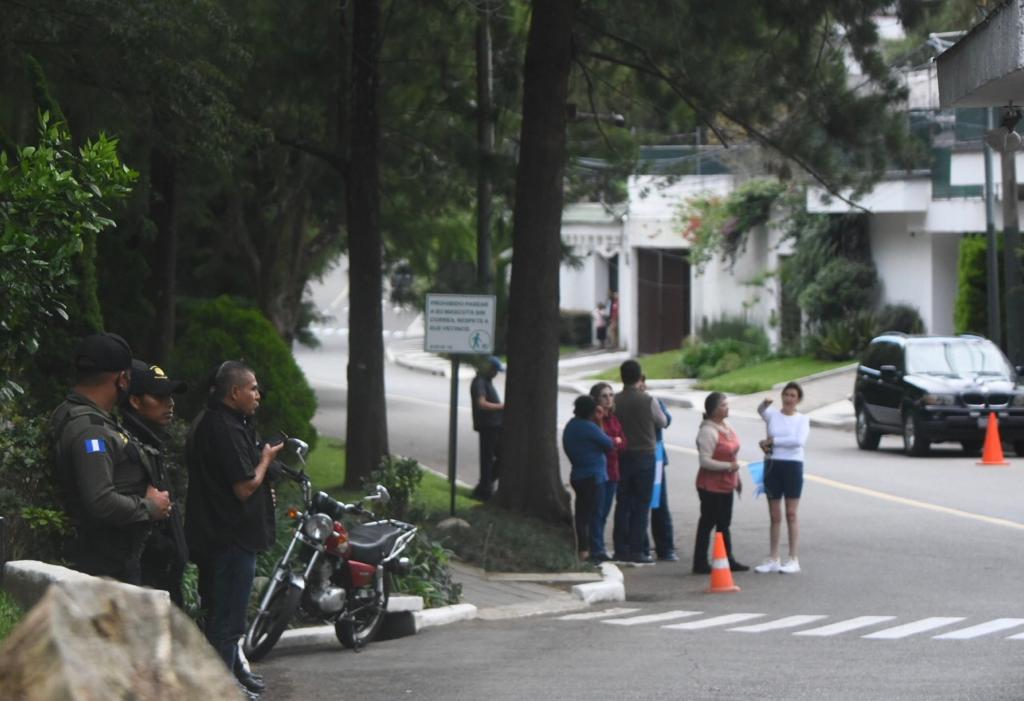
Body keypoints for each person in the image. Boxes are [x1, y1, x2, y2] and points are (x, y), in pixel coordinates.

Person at [185, 360, 282, 698]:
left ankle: (228, 679)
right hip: (229, 539)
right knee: (227, 621)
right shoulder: (222, 427)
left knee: (223, 618)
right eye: (253, 388)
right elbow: (243, 486)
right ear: (234, 391)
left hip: (228, 537)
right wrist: (266, 459)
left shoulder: (230, 423)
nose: (258, 395)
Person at [50, 333, 172, 584]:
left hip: (106, 561)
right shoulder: (91, 429)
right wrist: (150, 508)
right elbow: (100, 501)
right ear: (123, 379)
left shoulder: (76, 413)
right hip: (104, 568)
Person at [121, 359, 189, 605]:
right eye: (159, 397)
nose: (169, 403)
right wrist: (164, 549)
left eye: (170, 396)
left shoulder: (152, 441)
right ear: (135, 400)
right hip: (145, 582)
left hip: (164, 580)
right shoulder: (129, 445)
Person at [613, 360, 668, 564]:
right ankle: (637, 549)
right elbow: (662, 421)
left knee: (623, 502)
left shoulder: (616, 400)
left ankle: (620, 548)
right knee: (642, 504)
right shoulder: (648, 400)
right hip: (645, 455)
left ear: (622, 376)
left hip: (622, 454)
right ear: (640, 377)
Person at [754, 382, 810, 574]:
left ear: (798, 399)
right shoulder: (773, 415)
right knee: (774, 515)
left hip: (793, 466)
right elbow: (761, 410)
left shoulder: (802, 419)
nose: (788, 399)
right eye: (786, 395)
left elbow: (798, 442)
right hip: (772, 464)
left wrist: (774, 441)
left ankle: (793, 558)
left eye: (793, 396)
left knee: (791, 513)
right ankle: (773, 558)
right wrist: (765, 401)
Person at [692, 392, 748, 574]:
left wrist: (736, 479)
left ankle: (726, 558)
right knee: (708, 522)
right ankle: (700, 562)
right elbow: (705, 461)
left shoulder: (726, 426)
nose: (727, 407)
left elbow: (733, 455)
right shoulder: (708, 431)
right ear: (715, 410)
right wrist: (728, 467)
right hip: (710, 486)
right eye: (724, 405)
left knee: (724, 523)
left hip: (726, 484)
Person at [562, 396, 613, 561]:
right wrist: (599, 422)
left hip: (578, 475)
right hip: (592, 477)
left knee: (582, 514)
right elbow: (608, 444)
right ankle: (596, 550)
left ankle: (583, 549)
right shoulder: (588, 427)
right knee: (594, 514)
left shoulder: (571, 426)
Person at [639, 375, 677, 562]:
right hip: (639, 457)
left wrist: (656, 405)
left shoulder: (653, 402)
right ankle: (645, 546)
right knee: (641, 504)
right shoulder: (626, 402)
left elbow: (666, 420)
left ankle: (664, 547)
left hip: (656, 459)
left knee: (659, 503)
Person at [588, 383, 626, 563]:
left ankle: (598, 545)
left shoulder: (614, 419)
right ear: (596, 399)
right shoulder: (595, 420)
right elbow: (605, 443)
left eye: (611, 395)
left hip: (613, 471)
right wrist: (613, 441)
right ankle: (596, 548)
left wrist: (615, 442)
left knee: (604, 511)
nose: (609, 399)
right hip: (600, 472)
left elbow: (622, 443)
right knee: (597, 512)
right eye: (604, 396)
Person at [470, 355, 505, 501]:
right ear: (489, 369)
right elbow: (482, 403)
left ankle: (485, 484)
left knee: (503, 456)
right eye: (495, 370)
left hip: (495, 425)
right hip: (488, 425)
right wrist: (502, 406)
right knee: (488, 459)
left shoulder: (487, 382)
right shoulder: (480, 382)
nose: (496, 374)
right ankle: (484, 490)